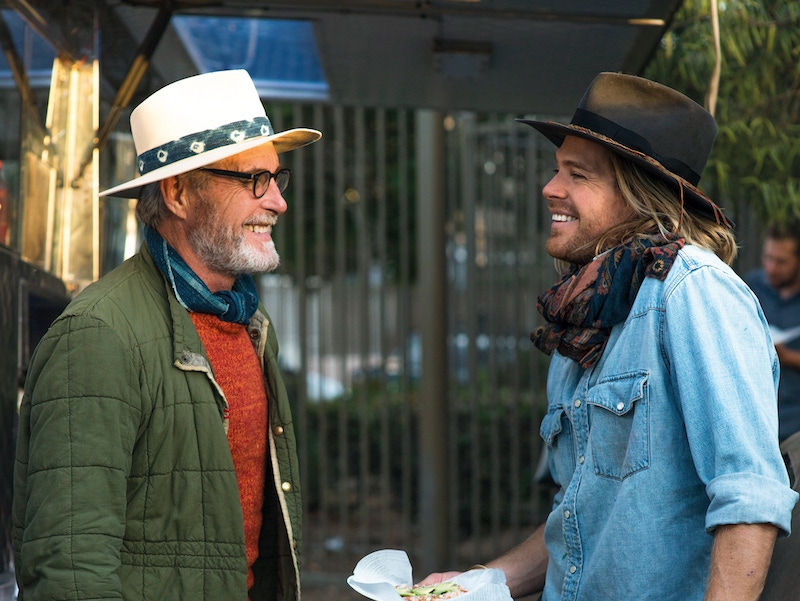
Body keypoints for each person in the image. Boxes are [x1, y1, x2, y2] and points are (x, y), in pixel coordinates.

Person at [421, 72, 798, 600]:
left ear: (641, 196)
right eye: (557, 171)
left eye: (579, 175)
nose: (550, 188)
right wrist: (469, 586)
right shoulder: (586, 317)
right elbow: (578, 522)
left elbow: (749, 503)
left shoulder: (693, 291)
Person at [12, 70, 321, 601]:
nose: (277, 202)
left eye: (277, 178)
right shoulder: (98, 334)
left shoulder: (246, 321)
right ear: (177, 192)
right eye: (253, 180)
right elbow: (70, 572)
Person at [745, 221, 800, 441]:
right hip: (757, 419)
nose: (771, 268)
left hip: (794, 423)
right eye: (768, 258)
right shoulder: (753, 286)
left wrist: (788, 357)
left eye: (781, 262)